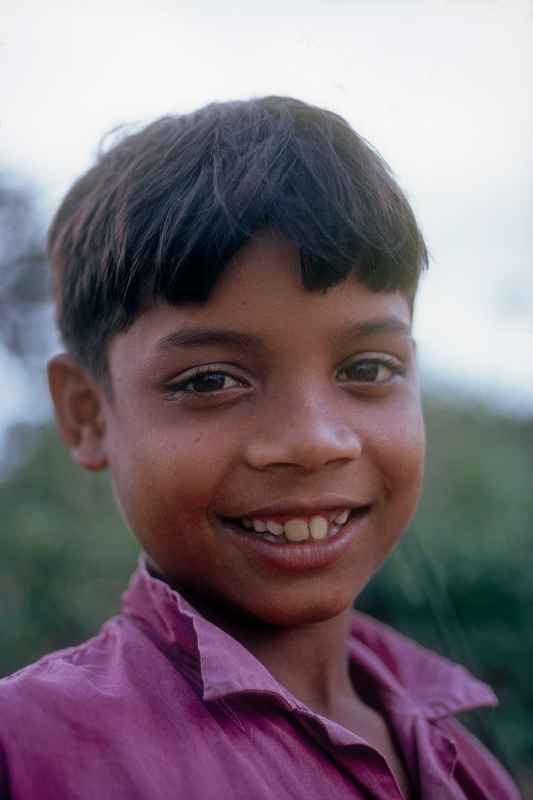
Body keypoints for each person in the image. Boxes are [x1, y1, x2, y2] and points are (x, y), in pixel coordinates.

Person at [0, 96, 520, 799]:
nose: (312, 442)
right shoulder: (32, 749)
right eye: (210, 379)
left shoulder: (456, 752)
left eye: (367, 369)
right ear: (88, 413)